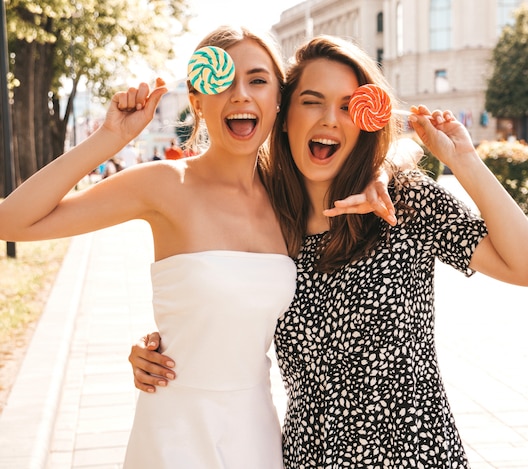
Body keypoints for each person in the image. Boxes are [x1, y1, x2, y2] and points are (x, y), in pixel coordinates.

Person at [129, 35, 528, 468]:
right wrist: (161, 347)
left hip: (415, 456)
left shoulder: (404, 203)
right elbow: (216, 299)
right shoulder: (270, 219)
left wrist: (464, 161)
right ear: (285, 114)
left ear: (367, 118)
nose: (330, 120)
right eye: (312, 101)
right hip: (307, 457)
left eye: (349, 106)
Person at [0, 27, 396, 469]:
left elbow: (381, 146)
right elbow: (11, 220)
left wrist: (380, 174)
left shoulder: (290, 199)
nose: (240, 95)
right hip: (175, 430)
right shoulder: (165, 186)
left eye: (259, 80)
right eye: (222, 81)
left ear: (279, 104)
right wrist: (108, 140)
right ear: (197, 100)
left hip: (254, 432)